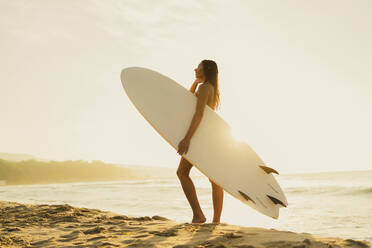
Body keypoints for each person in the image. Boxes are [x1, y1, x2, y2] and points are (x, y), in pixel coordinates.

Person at [176, 59, 223, 224]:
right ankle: (216, 220)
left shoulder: (204, 88)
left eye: (199, 67)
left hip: (199, 136)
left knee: (182, 173)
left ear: (206, 70)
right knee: (215, 179)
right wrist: (195, 82)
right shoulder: (211, 88)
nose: (195, 68)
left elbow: (198, 114)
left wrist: (187, 138)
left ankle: (198, 214)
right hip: (210, 137)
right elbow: (189, 100)